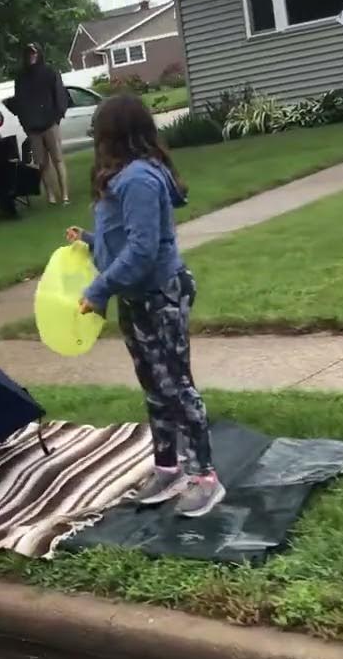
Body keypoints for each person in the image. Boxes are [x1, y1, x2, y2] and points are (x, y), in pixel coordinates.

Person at [65, 94, 224, 518]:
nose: (96, 140)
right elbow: (123, 241)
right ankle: (168, 468)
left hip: (161, 294)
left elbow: (143, 250)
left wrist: (99, 289)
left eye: (99, 132)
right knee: (154, 386)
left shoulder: (138, 179)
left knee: (177, 385)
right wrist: (90, 242)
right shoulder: (124, 176)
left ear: (114, 134)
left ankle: (205, 477)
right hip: (136, 295)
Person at [12, 42, 69, 204]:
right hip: (33, 128)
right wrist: (25, 123)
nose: (32, 56)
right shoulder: (21, 78)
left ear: (39, 54)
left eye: (34, 53)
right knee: (42, 163)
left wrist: (57, 117)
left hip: (50, 124)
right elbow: (19, 102)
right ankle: (50, 195)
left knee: (58, 159)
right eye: (29, 53)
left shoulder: (50, 73)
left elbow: (60, 95)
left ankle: (65, 194)